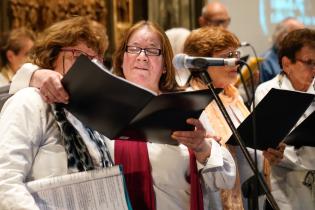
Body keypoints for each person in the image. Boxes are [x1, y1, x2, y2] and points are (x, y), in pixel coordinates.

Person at [5, 20, 236, 210]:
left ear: (165, 63)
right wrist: (35, 73)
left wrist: (203, 148)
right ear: (122, 58)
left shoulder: (184, 105)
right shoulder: (97, 105)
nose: (142, 56)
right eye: (134, 48)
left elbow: (224, 179)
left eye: (152, 50)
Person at [0, 17, 111, 210]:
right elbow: (5, 181)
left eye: (94, 60)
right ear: (52, 56)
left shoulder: (88, 109)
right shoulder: (30, 101)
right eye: (78, 56)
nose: (89, 68)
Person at [183, 27, 266, 210]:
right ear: (201, 63)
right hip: (215, 199)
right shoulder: (191, 102)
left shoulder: (233, 96)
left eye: (236, 54)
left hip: (251, 195)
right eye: (227, 56)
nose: (236, 61)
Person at [255, 28, 315, 210]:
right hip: (287, 186)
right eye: (309, 63)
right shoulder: (268, 92)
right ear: (286, 64)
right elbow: (273, 148)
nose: (314, 69)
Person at [260, 17, 304, 83]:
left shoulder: (303, 60)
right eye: (298, 36)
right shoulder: (265, 62)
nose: (303, 41)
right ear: (282, 36)